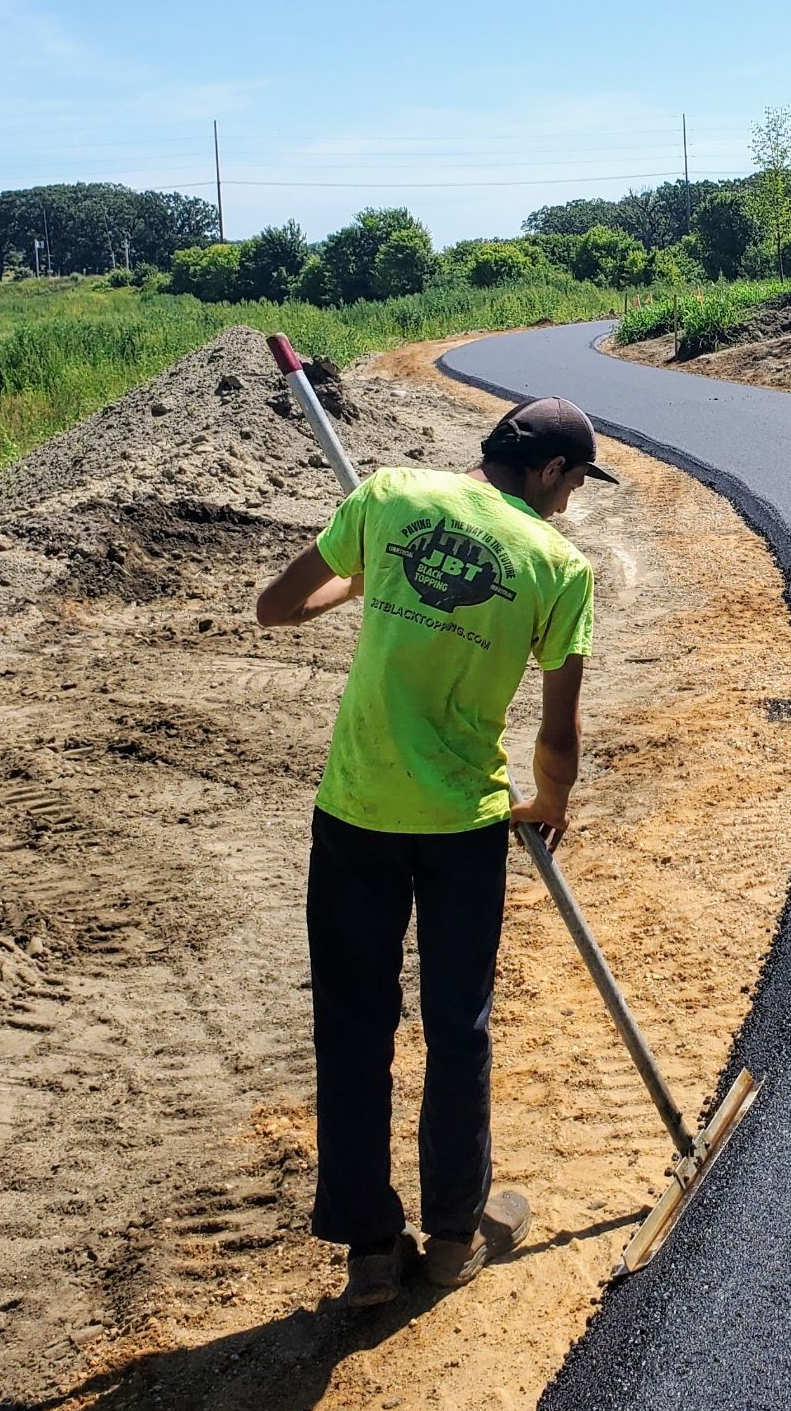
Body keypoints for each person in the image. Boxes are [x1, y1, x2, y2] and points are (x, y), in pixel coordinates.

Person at [255, 395, 611, 1308]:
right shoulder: (557, 566)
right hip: (463, 827)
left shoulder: (389, 496)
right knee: (458, 1026)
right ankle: (454, 1234)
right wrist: (550, 802)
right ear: (548, 471)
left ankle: (371, 1250)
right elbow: (558, 728)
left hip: (358, 812)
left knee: (352, 1027)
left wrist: (366, 580)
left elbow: (277, 607)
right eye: (574, 482)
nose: (571, 500)